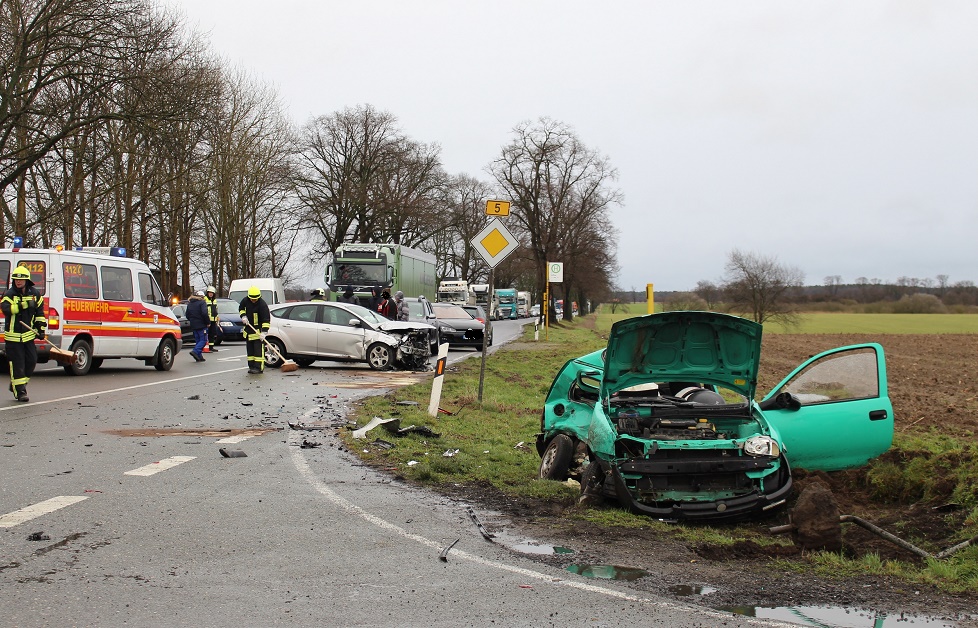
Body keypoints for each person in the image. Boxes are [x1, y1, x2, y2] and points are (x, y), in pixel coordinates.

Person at [1, 266, 46, 402]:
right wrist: (23, 306)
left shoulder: (35, 294)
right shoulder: (9, 294)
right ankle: (20, 392)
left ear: (27, 280)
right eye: (16, 279)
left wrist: (41, 329)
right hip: (13, 337)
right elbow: (6, 309)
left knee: (31, 361)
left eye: (21, 280)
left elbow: (39, 313)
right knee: (17, 364)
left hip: (28, 336)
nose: (18, 282)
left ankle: (17, 384)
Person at [239, 285, 270, 374]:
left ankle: (258, 367)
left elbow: (266, 320)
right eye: (252, 299)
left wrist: (264, 332)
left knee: (258, 351)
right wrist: (243, 316)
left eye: (255, 299)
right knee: (250, 351)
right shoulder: (245, 301)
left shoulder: (262, 305)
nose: (253, 300)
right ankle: (251, 366)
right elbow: (241, 309)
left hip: (258, 331)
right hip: (248, 330)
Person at [186, 291, 209, 362]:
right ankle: (195, 351)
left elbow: (187, 315)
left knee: (198, 340)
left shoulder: (190, 303)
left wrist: (192, 320)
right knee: (204, 340)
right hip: (201, 324)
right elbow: (204, 313)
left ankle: (199, 356)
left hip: (193, 324)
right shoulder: (202, 303)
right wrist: (207, 322)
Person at [203, 285, 221, 352]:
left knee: (212, 333)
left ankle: (211, 347)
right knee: (206, 334)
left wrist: (217, 317)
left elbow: (216, 309)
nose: (210, 294)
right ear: (207, 293)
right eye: (209, 292)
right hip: (207, 320)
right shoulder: (205, 299)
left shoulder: (215, 300)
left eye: (212, 293)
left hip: (213, 320)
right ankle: (205, 347)